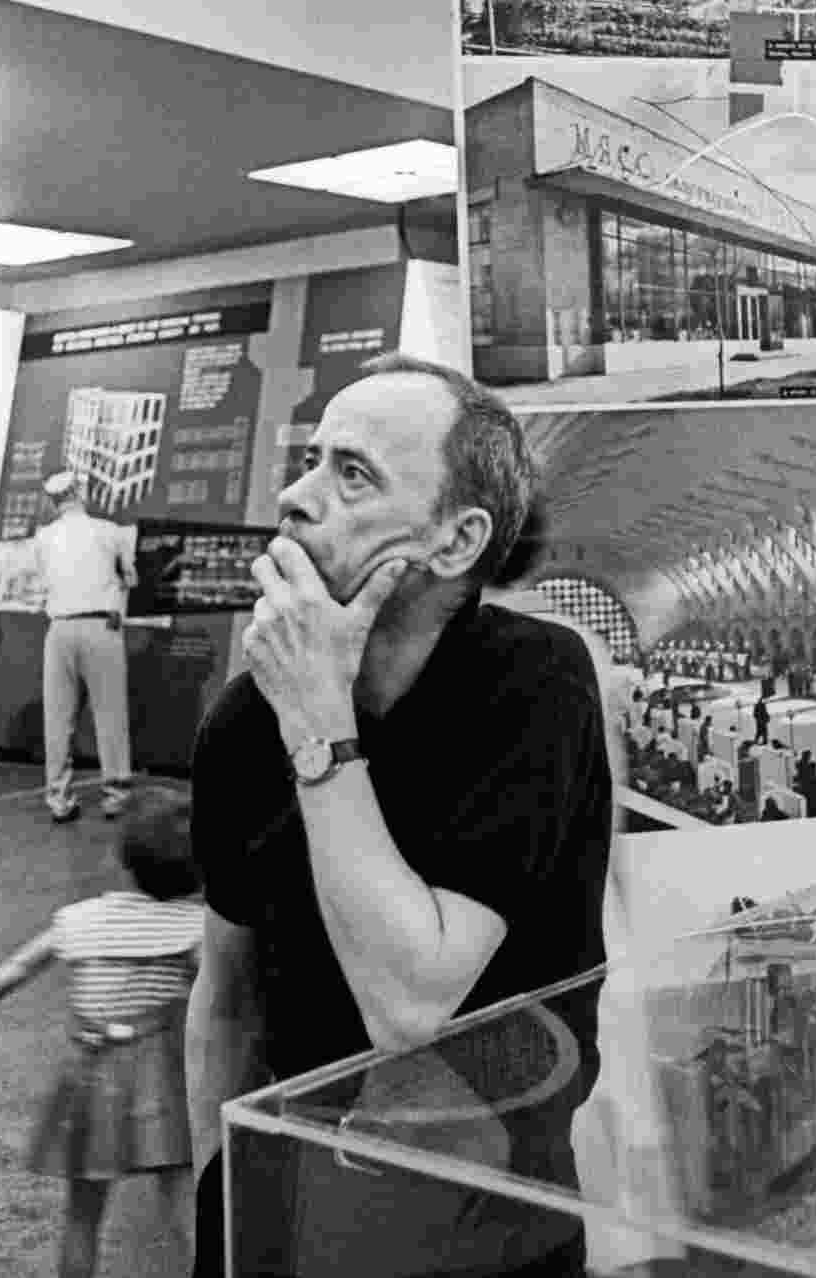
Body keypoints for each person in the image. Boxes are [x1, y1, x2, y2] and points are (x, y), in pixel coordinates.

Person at [186, 354, 613, 1278]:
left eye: (353, 474)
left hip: (496, 1222)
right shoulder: (238, 723)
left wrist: (317, 720)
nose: (298, 497)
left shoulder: (535, 685)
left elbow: (410, 1000)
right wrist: (222, 1205)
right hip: (311, 1209)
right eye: (312, 459)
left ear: (456, 543)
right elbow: (223, 995)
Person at [0, 786, 202, 1278]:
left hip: (91, 1076)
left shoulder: (81, 920)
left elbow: (21, 965)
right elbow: (217, 994)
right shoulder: (194, 926)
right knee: (183, 1197)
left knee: (83, 1211)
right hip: (159, 1081)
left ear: (122, 861)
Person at [34, 472, 138, 823]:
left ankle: (59, 798)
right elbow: (132, 578)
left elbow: (44, 580)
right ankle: (116, 794)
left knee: (58, 717)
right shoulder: (110, 532)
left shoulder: (44, 537)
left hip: (59, 629)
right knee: (110, 712)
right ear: (81, 494)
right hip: (100, 627)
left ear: (54, 502)